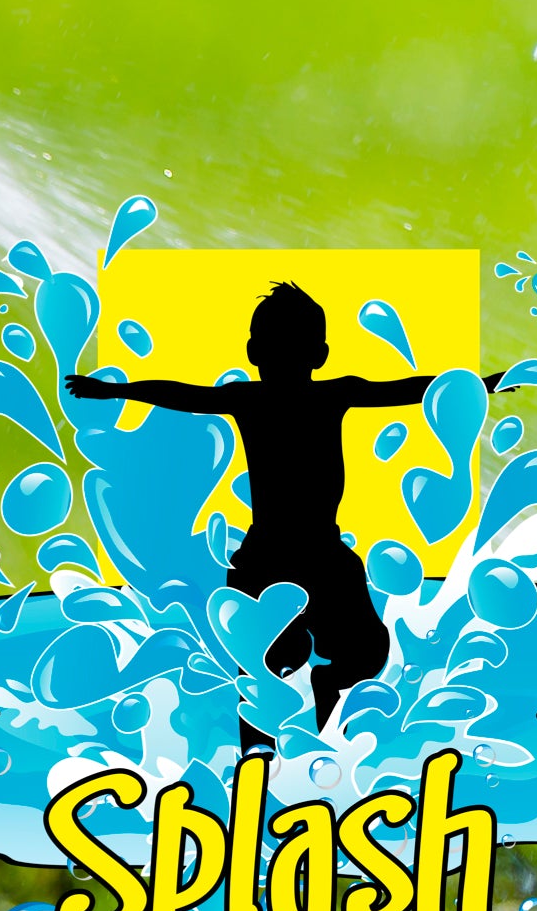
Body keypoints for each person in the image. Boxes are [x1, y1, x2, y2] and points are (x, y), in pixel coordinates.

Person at [69, 283, 503, 728]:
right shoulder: (292, 397)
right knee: (295, 660)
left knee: (344, 655)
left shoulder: (284, 397)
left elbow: (181, 393)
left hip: (303, 556)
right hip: (280, 556)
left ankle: (307, 709)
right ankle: (297, 719)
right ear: (321, 353)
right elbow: (406, 389)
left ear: (254, 351)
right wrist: (474, 388)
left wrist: (113, 392)